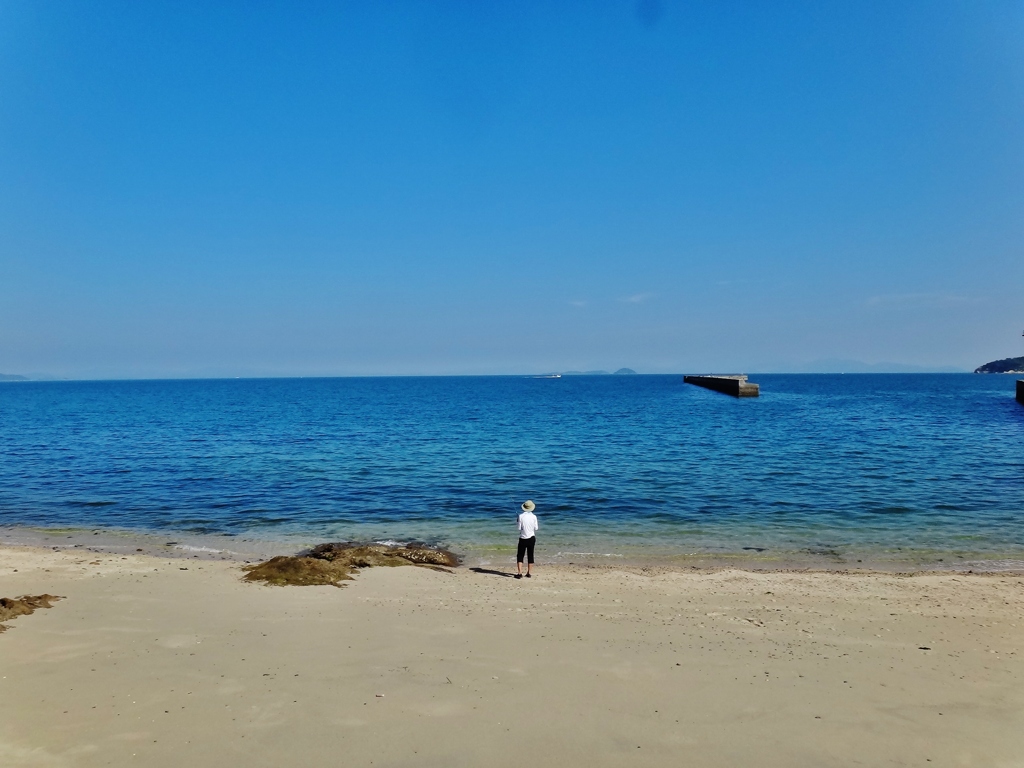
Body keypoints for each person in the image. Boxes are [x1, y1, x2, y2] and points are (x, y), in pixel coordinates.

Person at [515, 500, 539, 579]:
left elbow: (518, 528)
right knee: (530, 555)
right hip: (532, 538)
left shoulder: (520, 516)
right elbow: (536, 528)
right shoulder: (534, 517)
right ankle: (529, 573)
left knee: (520, 555)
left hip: (523, 538)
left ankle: (519, 573)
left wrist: (518, 521)